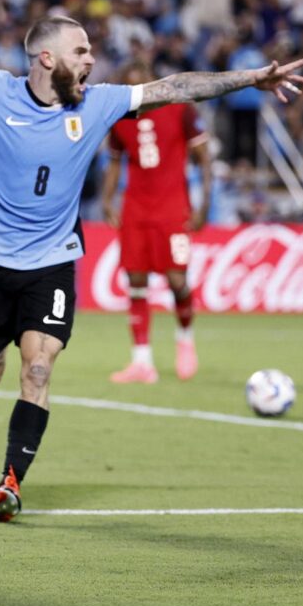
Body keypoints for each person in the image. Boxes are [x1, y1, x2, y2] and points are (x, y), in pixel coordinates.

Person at [0, 5, 303, 522]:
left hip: (52, 263)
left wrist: (251, 78)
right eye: (81, 51)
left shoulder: (100, 103)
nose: (92, 60)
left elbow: (177, 87)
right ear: (47, 59)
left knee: (38, 368)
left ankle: (10, 482)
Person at [101, 64, 213, 384]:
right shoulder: (120, 117)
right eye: (130, 88)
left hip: (173, 207)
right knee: (136, 280)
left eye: (140, 86)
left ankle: (185, 338)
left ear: (152, 83)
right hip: (136, 208)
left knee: (177, 280)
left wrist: (204, 204)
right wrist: (108, 199)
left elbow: (204, 158)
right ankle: (142, 362)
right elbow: (115, 162)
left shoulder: (180, 109)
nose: (137, 93)